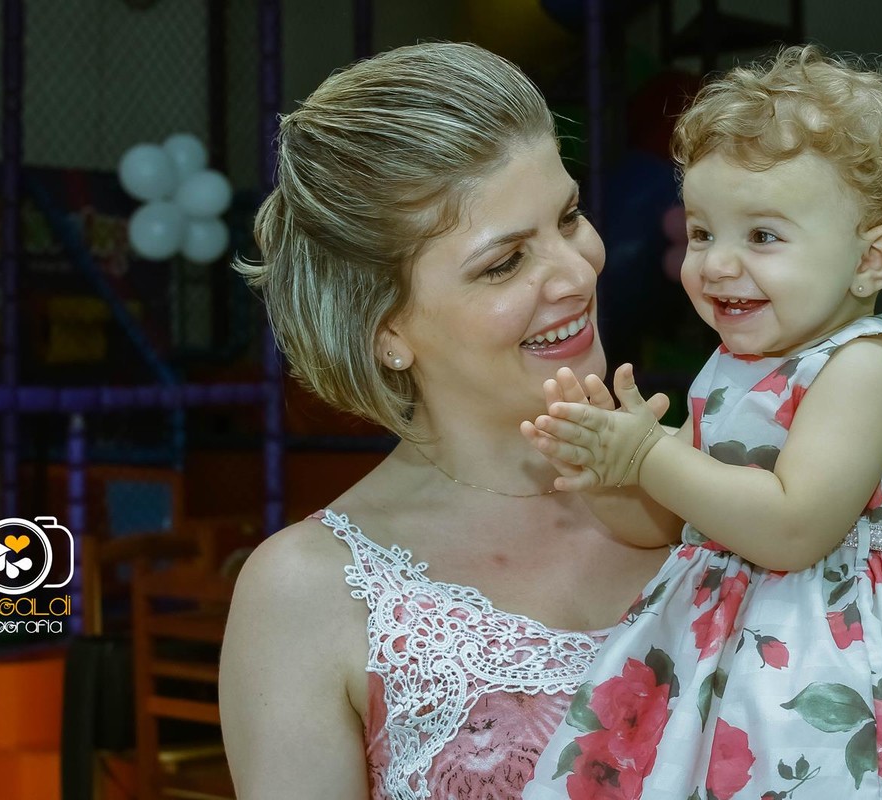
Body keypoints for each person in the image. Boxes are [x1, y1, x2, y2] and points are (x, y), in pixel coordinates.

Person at [521, 45, 882, 798]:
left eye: (762, 237)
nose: (718, 264)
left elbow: (794, 529)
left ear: (872, 261)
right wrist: (610, 469)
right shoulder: (732, 365)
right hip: (721, 670)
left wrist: (651, 458)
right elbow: (679, 524)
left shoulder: (866, 369)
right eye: (703, 232)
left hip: (831, 669)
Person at [218, 42, 677, 799]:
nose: (576, 270)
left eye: (569, 217)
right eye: (503, 264)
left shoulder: (737, 478)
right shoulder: (306, 592)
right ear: (386, 330)